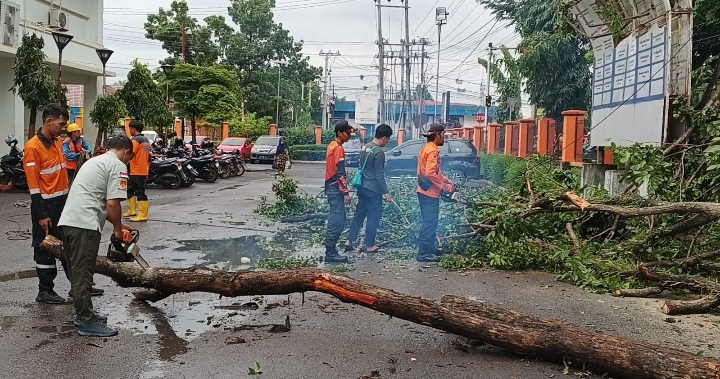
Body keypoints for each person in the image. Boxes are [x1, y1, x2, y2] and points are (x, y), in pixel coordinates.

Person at [24, 104, 103, 304]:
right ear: (49, 122)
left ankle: (78, 287)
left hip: (63, 203)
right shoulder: (33, 147)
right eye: (60, 124)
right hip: (46, 206)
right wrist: (42, 214)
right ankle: (45, 291)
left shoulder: (58, 142)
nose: (63, 127)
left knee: (69, 245)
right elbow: (34, 187)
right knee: (45, 248)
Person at [58, 135, 134, 337]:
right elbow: (112, 203)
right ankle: (87, 321)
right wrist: (117, 231)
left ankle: (84, 313)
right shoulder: (118, 165)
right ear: (126, 152)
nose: (128, 161)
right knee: (83, 273)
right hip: (85, 225)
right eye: (129, 158)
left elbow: (98, 200)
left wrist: (120, 224)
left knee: (77, 271)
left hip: (69, 221)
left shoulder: (95, 161)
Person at [345, 124, 393, 253]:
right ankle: (370, 245)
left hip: (362, 188)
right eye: (388, 139)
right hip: (373, 190)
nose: (387, 141)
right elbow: (379, 175)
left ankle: (349, 241)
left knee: (359, 215)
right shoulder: (378, 152)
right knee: (374, 217)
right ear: (384, 137)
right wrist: (386, 192)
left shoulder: (365, 147)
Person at [416, 123, 455, 262]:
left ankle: (430, 248)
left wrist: (446, 180)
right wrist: (443, 186)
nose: (444, 137)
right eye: (443, 134)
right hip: (429, 193)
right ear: (437, 134)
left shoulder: (427, 148)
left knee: (431, 221)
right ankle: (423, 253)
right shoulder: (433, 151)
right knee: (429, 222)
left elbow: (435, 172)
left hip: (424, 191)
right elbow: (430, 173)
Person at [324, 121, 356, 263]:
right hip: (335, 188)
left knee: (338, 219)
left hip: (331, 187)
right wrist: (346, 193)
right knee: (336, 221)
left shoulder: (332, 145)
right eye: (347, 133)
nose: (349, 136)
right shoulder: (338, 149)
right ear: (339, 133)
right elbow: (340, 173)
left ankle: (331, 250)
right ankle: (330, 253)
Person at [122, 120, 152, 222]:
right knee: (129, 188)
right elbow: (149, 157)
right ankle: (132, 210)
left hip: (136, 169)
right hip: (142, 169)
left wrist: (122, 162)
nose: (129, 130)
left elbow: (131, 154)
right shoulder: (146, 140)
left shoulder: (135, 140)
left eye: (129, 128)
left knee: (139, 191)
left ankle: (143, 214)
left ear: (133, 129)